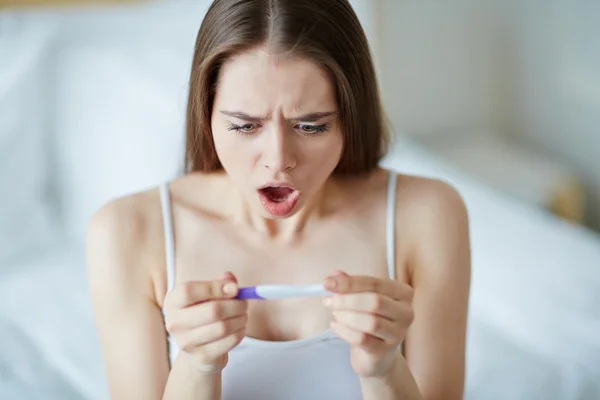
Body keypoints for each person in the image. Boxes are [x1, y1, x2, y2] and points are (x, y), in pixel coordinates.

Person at [86, 0, 471, 399]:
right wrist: (198, 365)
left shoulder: (427, 214)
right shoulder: (127, 232)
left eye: (310, 126)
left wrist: (383, 370)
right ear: (207, 114)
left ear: (350, 116)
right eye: (245, 125)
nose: (279, 161)